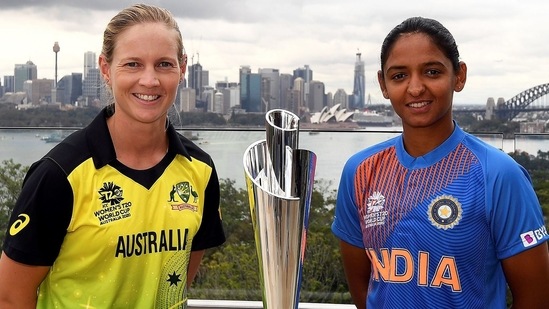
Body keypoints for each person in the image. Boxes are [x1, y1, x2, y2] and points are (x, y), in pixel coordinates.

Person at [0, 4, 225, 308]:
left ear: (182, 68)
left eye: (164, 64)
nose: (149, 80)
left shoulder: (200, 171)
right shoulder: (60, 175)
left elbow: (178, 279)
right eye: (132, 64)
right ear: (105, 69)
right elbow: (11, 297)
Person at [332, 16, 549, 309]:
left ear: (458, 76)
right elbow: (362, 288)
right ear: (383, 85)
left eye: (432, 72)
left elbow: (536, 297)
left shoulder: (499, 175)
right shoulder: (360, 171)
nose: (416, 88)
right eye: (399, 76)